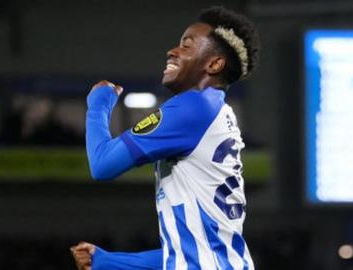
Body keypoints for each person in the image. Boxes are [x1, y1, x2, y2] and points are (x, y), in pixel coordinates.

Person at [70, 6, 260, 270]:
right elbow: (186, 255)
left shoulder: (193, 108)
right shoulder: (216, 112)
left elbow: (102, 164)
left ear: (214, 64)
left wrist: (98, 105)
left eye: (187, 45)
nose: (173, 51)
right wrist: (107, 261)